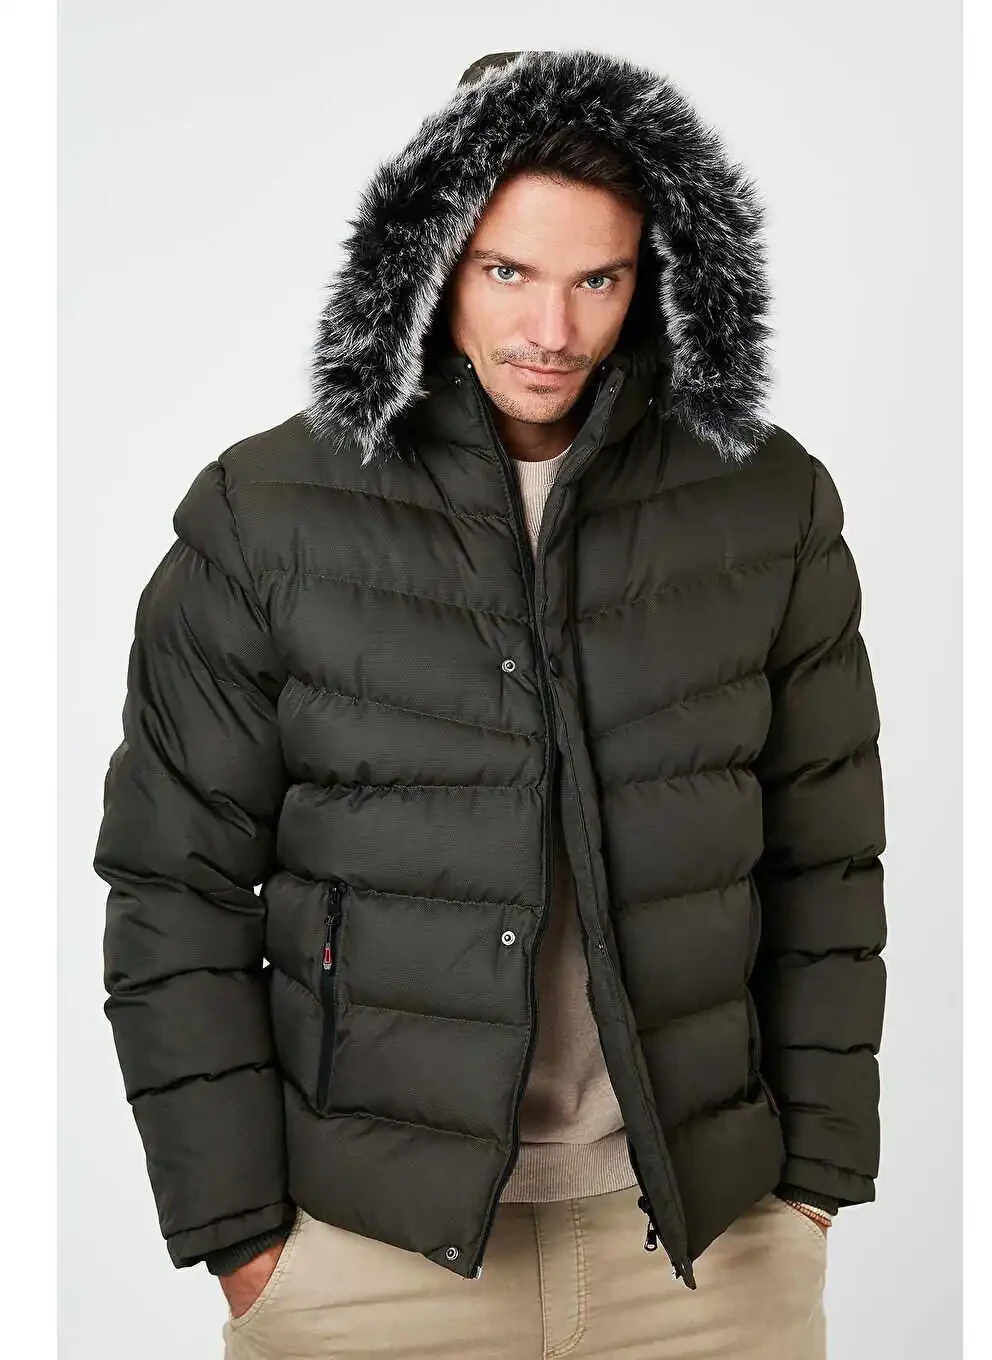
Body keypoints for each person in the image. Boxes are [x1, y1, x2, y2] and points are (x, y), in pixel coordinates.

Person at [94, 48, 887, 1359]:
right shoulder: (266, 517)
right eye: (508, 271)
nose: (553, 331)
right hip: (369, 1260)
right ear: (429, 257)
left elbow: (826, 866)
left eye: (599, 279)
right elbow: (172, 888)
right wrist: (243, 1242)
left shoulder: (766, 506)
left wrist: (811, 1190)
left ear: (658, 274)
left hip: (707, 1253)